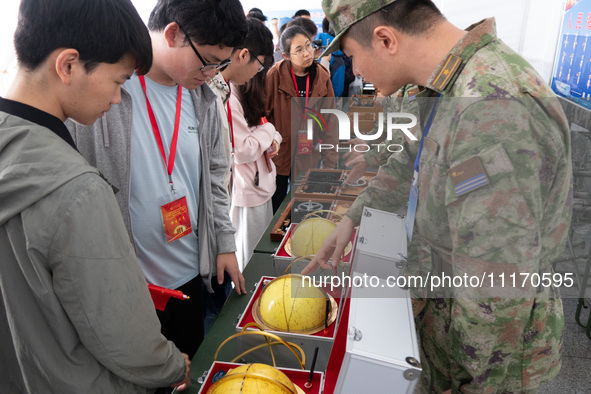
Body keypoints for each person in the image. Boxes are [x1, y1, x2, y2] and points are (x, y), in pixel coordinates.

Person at [304, 0, 572, 393]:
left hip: (483, 364)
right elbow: (408, 164)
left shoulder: (491, 108)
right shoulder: (443, 86)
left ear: (385, 39)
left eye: (352, 56)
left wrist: (472, 384)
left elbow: (496, 286)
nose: (355, 71)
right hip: (443, 324)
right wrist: (351, 220)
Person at [0, 0, 190, 392]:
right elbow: (124, 335)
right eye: (119, 81)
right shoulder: (77, 190)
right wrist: (172, 365)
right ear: (68, 65)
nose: (119, 99)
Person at [68, 0, 248, 360]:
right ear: (173, 33)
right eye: (210, 59)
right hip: (127, 284)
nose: (214, 71)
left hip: (188, 273)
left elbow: (215, 174)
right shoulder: (107, 87)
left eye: (222, 63)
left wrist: (224, 243)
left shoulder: (204, 97)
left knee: (189, 367)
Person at [218, 18, 281, 270]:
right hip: (248, 188)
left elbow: (259, 126)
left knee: (257, 247)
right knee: (250, 257)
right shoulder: (229, 94)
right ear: (245, 55)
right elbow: (242, 150)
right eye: (260, 65)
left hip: (259, 182)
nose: (259, 71)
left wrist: (271, 135)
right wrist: (270, 130)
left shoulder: (239, 89)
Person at [266, 25, 338, 212]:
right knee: (277, 207)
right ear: (287, 56)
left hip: (309, 152)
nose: (307, 53)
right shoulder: (275, 75)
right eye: (299, 50)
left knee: (304, 205)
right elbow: (263, 115)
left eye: (308, 46)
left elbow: (330, 120)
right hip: (279, 154)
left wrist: (330, 161)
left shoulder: (321, 76)